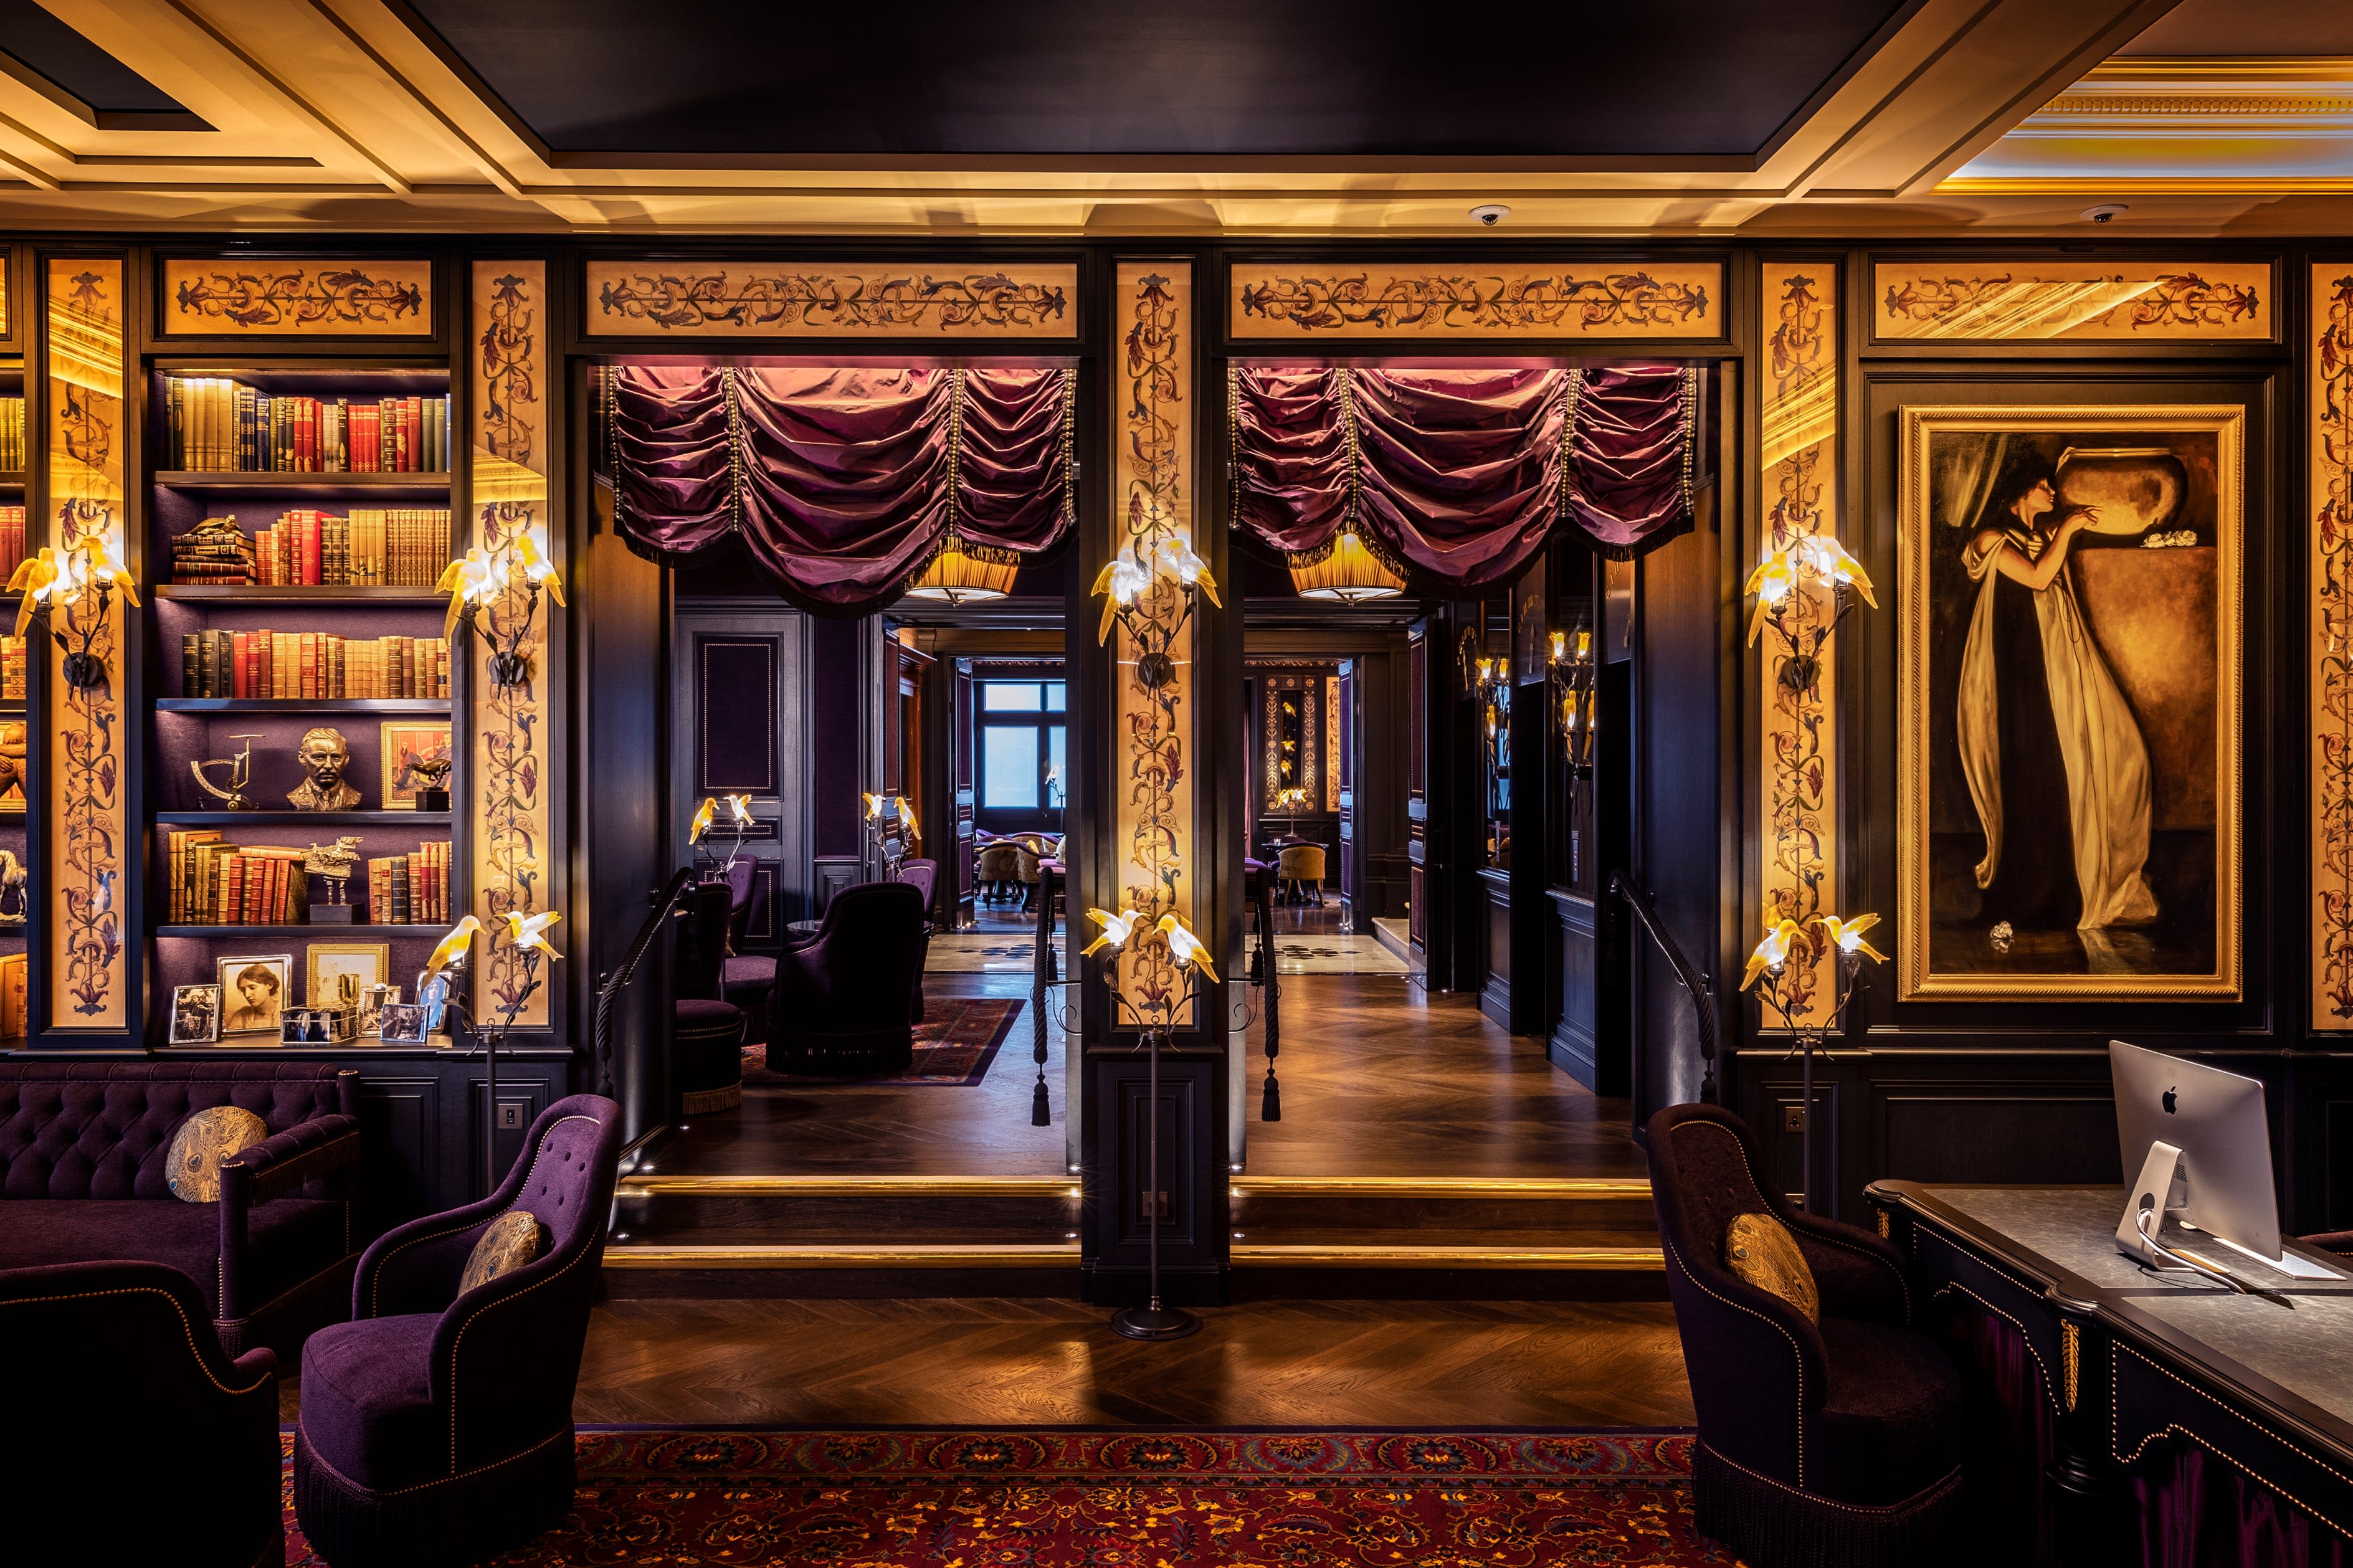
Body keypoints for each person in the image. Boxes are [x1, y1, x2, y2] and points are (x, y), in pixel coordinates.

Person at [1955, 447, 2158, 938]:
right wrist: (2067, 530)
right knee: (2036, 777)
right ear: (2020, 490)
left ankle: (2072, 886)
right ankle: (2036, 897)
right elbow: (2037, 577)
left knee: (2106, 759)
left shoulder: (2036, 534)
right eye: (2044, 485)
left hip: (2050, 674)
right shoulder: (1990, 538)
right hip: (2018, 679)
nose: (2052, 492)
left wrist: (2059, 532)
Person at [224, 963, 282, 1033]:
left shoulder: (283, 1011)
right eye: (243, 990)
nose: (247, 995)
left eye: (252, 988)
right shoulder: (241, 1015)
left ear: (269, 985)